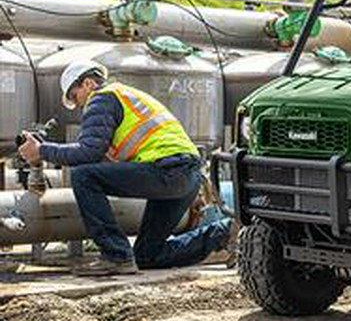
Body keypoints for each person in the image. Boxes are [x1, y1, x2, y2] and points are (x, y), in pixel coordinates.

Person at [17, 59, 232, 277]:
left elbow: (87, 152)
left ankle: (116, 256)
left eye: (75, 96)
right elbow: (103, 158)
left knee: (83, 176)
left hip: (168, 170)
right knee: (148, 256)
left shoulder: (101, 98)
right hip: (187, 175)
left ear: (89, 83)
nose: (78, 104)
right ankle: (225, 232)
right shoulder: (125, 96)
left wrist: (42, 151)